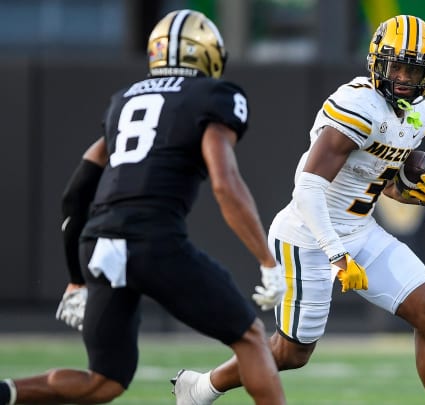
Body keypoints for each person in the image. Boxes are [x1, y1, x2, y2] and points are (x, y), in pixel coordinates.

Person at [0, 9, 288, 405]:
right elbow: (225, 183)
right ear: (206, 54)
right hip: (151, 238)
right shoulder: (214, 96)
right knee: (251, 337)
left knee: (104, 380)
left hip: (98, 242)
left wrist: (76, 278)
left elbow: (76, 192)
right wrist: (267, 262)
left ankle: (6, 393)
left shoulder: (125, 99)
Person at [172, 14, 425, 405]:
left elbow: (380, 183)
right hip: (307, 236)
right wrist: (337, 256)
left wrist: (421, 193)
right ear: (377, 62)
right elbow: (306, 189)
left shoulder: (417, 115)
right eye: (400, 67)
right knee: (292, 353)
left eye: (417, 71)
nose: (406, 79)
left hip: (359, 229)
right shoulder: (358, 104)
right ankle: (200, 388)